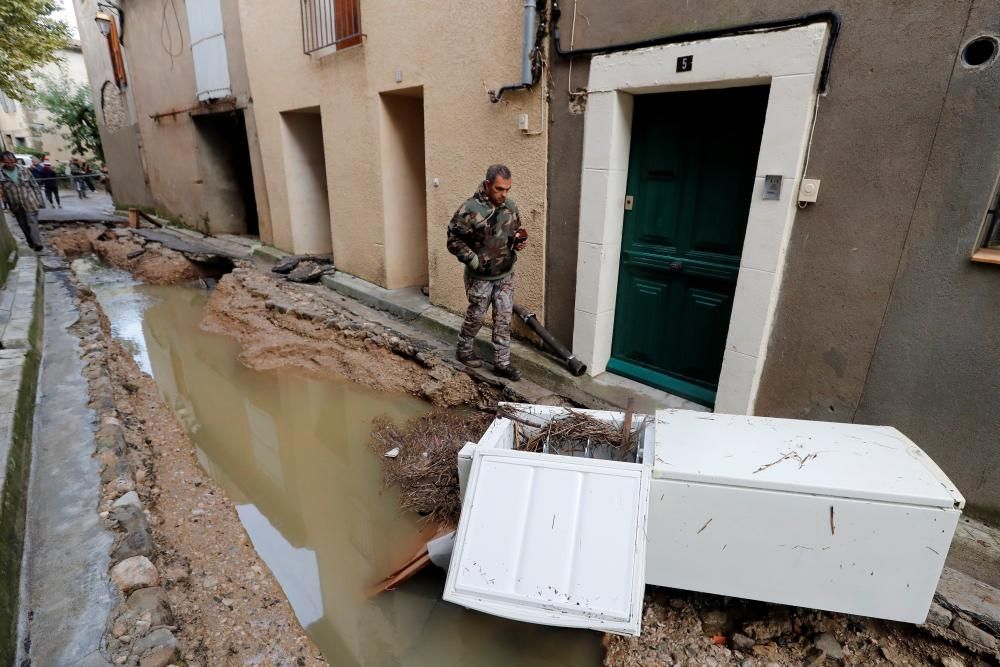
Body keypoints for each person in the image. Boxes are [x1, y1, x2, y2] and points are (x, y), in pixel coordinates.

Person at [446, 164, 527, 381]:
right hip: (480, 277)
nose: (504, 194)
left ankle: (502, 363)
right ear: (488, 184)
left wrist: (518, 242)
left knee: (503, 318)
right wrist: (473, 261)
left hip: (505, 274)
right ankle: (463, 349)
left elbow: (515, 230)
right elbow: (453, 240)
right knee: (477, 316)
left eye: (508, 189)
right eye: (500, 189)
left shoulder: (510, 206)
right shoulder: (470, 210)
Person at [0, 151, 45, 250]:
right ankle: (31, 243)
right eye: (7, 162)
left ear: (15, 160)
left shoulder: (24, 170)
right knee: (24, 226)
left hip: (29, 201)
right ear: (2, 162)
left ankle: (37, 243)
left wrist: (40, 201)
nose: (10, 164)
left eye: (12, 161)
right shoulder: (1, 174)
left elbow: (35, 185)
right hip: (15, 204)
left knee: (32, 223)